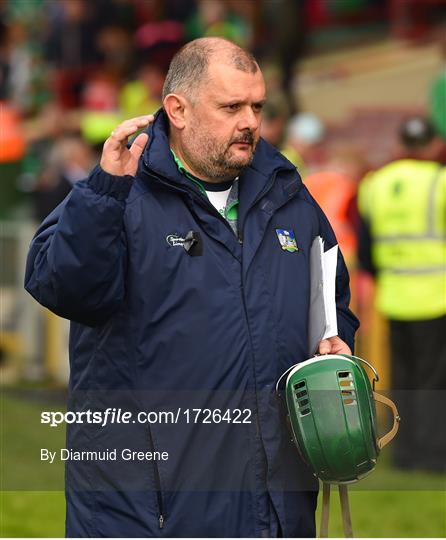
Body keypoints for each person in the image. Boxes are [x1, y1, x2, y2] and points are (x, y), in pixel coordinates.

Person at [25, 37, 358, 537]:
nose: (249, 121)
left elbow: (330, 302)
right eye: (231, 107)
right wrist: (102, 195)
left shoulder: (289, 195)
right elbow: (63, 287)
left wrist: (334, 344)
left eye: (257, 106)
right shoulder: (120, 190)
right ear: (177, 109)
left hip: (273, 507)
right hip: (149, 510)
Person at [358, 116, 446, 472]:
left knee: (404, 379)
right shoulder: (440, 182)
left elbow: (366, 252)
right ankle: (433, 453)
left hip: (393, 296)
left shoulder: (374, 185)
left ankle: (403, 452)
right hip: (437, 296)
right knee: (434, 381)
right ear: (432, 145)